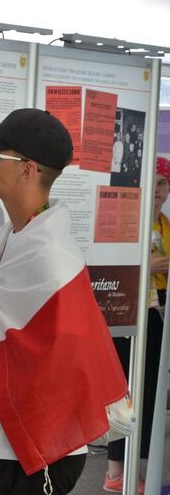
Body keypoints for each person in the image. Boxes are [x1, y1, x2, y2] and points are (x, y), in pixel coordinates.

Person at [0, 109, 127, 495]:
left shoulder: (50, 258)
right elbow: (21, 359)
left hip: (38, 450)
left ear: (28, 170)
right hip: (8, 441)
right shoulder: (19, 240)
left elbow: (64, 371)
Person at [103, 157, 169, 493]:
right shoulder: (130, 221)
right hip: (128, 316)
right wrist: (152, 262)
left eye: (163, 184)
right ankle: (116, 471)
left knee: (150, 395)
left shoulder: (165, 225)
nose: (158, 190)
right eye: (153, 183)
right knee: (124, 393)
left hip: (157, 317)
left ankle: (137, 471)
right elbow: (114, 262)